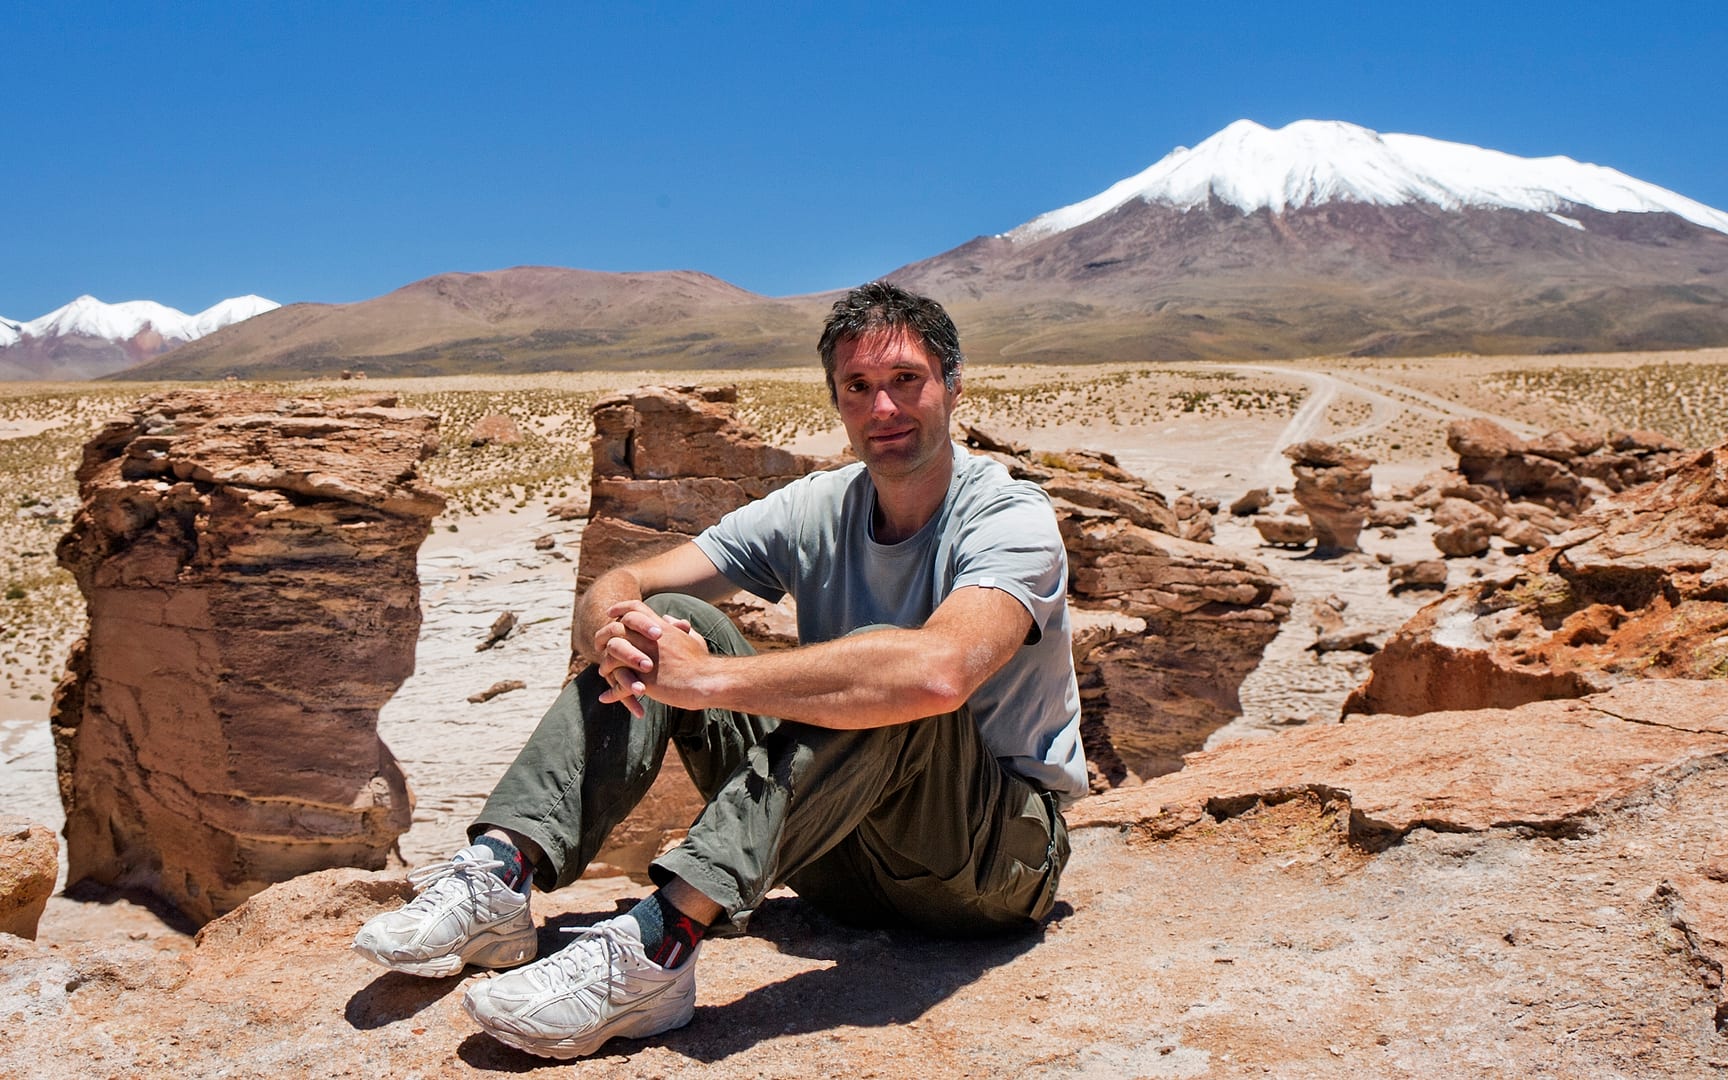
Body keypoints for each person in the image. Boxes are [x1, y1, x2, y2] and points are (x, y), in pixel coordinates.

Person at [352, 280, 1086, 1060]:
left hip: (986, 868)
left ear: (953, 383)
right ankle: (505, 870)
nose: (884, 410)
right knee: (673, 620)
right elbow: (630, 580)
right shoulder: (819, 505)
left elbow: (938, 673)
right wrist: (613, 625)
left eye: (906, 380)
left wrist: (709, 682)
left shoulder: (1010, 518)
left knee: (893, 676)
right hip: (837, 856)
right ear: (836, 399)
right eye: (858, 387)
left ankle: (660, 949)